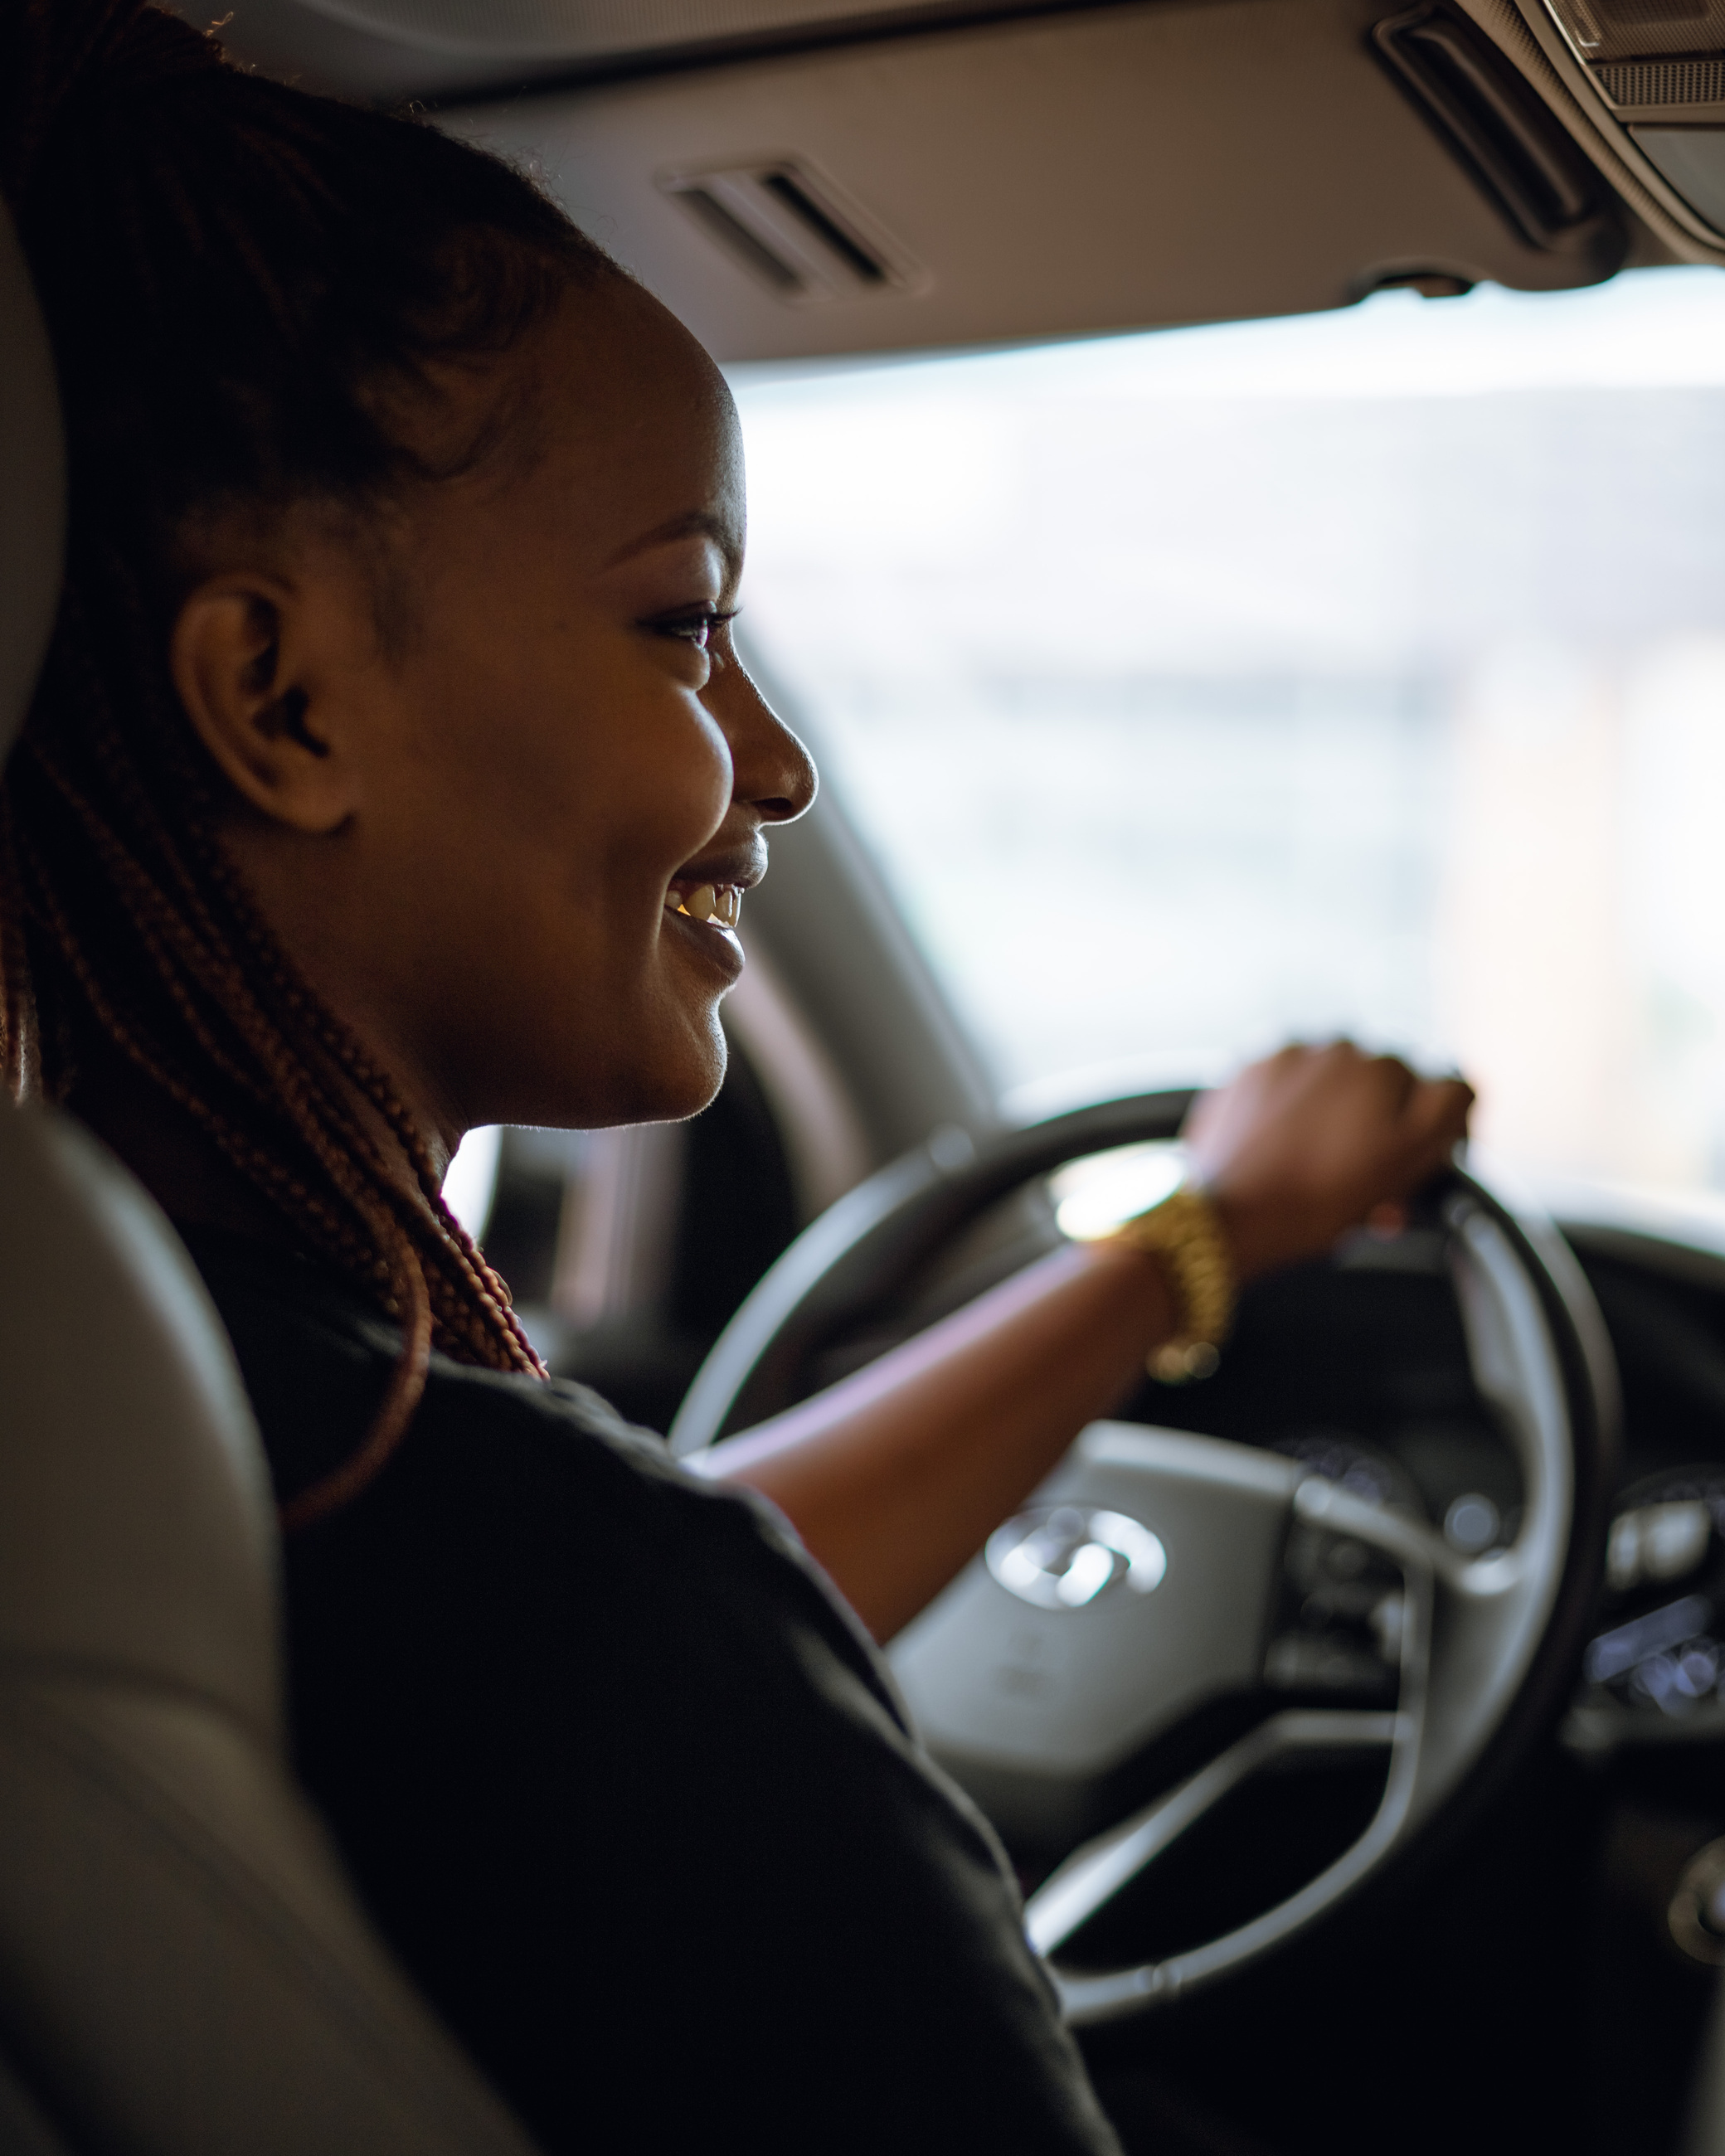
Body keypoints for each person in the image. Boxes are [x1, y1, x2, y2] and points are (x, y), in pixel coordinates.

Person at [0, 4, 1474, 2148]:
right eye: (683, 626)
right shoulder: (551, 1601)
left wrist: (1193, 1244)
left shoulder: (149, 1446)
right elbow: (625, 1625)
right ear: (282, 702)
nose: (774, 760)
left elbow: (625, 1604)